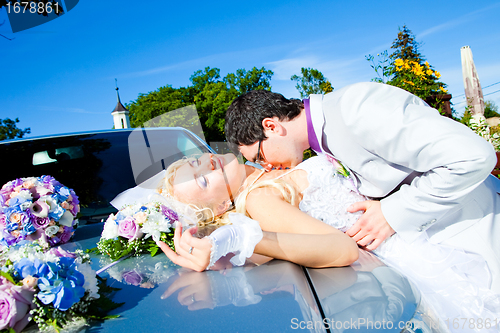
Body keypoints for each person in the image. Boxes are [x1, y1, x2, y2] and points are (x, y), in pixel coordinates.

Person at [151, 151, 500, 332]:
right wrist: (241, 239)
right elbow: (343, 249)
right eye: (201, 181)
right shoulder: (259, 199)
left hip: (426, 217)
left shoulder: (272, 168)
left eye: (194, 161)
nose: (207, 165)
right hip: (417, 241)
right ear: (223, 207)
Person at [224, 82, 500, 293]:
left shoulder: (355, 109)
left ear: (271, 126)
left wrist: (392, 212)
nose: (266, 166)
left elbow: (473, 156)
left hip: (479, 231)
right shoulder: (324, 135)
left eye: (259, 157)